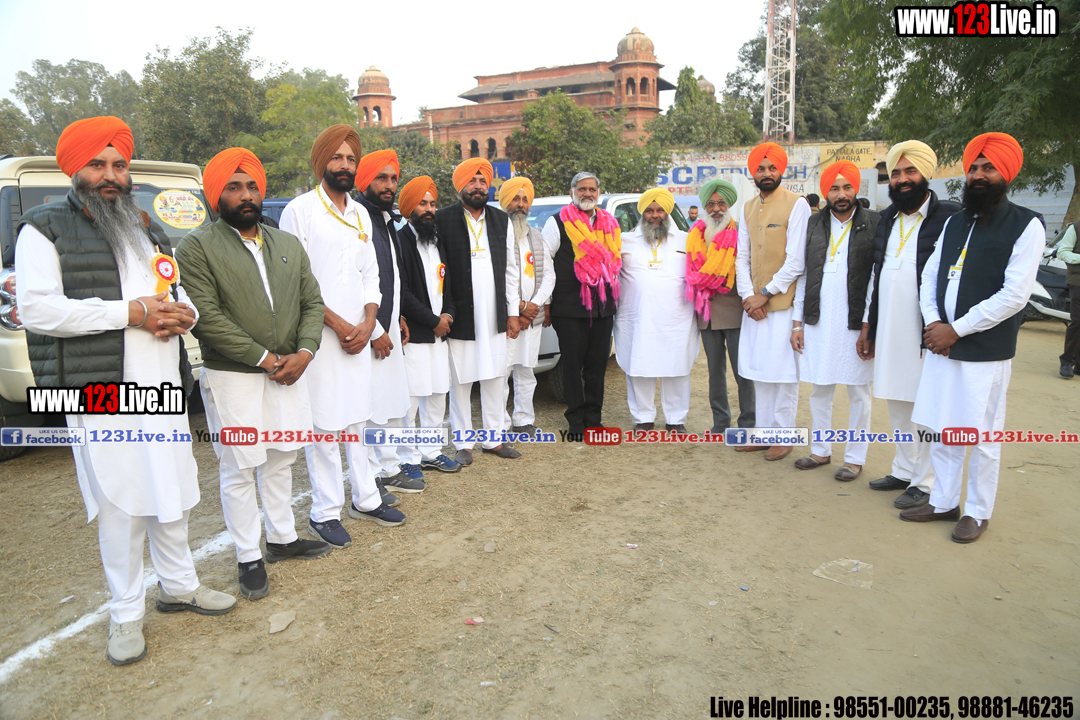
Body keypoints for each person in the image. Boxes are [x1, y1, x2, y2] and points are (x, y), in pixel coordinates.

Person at [15, 116, 236, 666]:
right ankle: (125, 613)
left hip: (162, 383)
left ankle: (180, 587)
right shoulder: (43, 228)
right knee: (121, 501)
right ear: (75, 169)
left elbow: (174, 290)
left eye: (118, 164)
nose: (110, 175)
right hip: (97, 391)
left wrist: (184, 314)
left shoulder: (144, 228)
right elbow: (38, 310)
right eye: (97, 164)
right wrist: (131, 313)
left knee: (171, 487)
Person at [176, 148, 331, 603]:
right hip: (234, 375)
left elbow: (312, 302)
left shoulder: (286, 243)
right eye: (233, 187)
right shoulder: (196, 247)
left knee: (283, 455)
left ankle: (282, 539)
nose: (246, 195)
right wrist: (265, 359)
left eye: (251, 186)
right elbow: (206, 317)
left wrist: (305, 351)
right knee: (241, 467)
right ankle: (248, 557)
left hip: (290, 369)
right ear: (215, 195)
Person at [903, 133, 1044, 543]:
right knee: (943, 426)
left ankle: (978, 512)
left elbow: (1014, 295)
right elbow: (930, 277)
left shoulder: (1026, 224)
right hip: (941, 345)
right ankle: (944, 501)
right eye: (974, 168)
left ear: (1006, 173)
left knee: (982, 435)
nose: (978, 175)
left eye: (988, 168)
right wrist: (935, 325)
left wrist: (956, 329)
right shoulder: (955, 221)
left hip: (984, 350)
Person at [278, 125, 406, 550]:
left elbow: (371, 275)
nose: (345, 165)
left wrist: (369, 322)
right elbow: (297, 281)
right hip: (318, 336)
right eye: (337, 157)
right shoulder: (299, 211)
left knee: (357, 417)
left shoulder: (360, 214)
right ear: (322, 161)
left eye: (351, 158)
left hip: (358, 335)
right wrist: (337, 324)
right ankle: (325, 511)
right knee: (324, 423)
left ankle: (366, 498)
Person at [860, 140, 961, 510]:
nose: (902, 179)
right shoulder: (887, 217)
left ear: (925, 174)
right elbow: (877, 274)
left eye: (910, 171)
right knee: (897, 399)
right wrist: (869, 324)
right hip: (890, 325)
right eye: (896, 173)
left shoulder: (950, 215)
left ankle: (926, 481)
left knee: (926, 405)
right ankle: (904, 470)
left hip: (927, 330)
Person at [791, 161, 878, 480]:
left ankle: (855, 458)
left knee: (859, 393)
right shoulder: (814, 223)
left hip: (855, 322)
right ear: (826, 192)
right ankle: (821, 450)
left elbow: (875, 279)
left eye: (847, 187)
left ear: (856, 189)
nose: (841, 194)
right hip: (818, 321)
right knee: (820, 389)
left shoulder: (874, 222)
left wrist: (868, 324)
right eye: (834, 188)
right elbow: (803, 276)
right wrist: (797, 323)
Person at [435, 158, 522, 464]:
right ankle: (463, 443)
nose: (478, 186)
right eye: (472, 181)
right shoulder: (442, 219)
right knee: (460, 380)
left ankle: (494, 439)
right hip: (460, 313)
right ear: (461, 185)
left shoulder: (501, 220)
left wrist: (513, 312)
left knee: (496, 375)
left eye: (483, 181)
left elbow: (511, 270)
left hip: (494, 312)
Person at [354, 150, 427, 495]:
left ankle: (389, 467)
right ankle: (370, 476)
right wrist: (378, 329)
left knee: (390, 400)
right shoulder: (358, 218)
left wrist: (397, 316)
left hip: (389, 325)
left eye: (393, 178)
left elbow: (391, 277)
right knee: (370, 406)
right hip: (368, 330)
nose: (389, 185)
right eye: (381, 178)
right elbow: (356, 281)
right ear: (364, 181)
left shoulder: (385, 218)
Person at [735, 142, 810, 460]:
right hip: (754, 308)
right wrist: (747, 297)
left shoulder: (797, 205)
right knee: (760, 371)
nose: (766, 173)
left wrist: (763, 295)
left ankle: (784, 435)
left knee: (783, 373)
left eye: (772, 168)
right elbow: (741, 257)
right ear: (753, 173)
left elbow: (796, 262)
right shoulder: (747, 208)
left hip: (783, 305)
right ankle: (764, 433)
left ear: (782, 170)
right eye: (760, 168)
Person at [540, 172, 621, 437]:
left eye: (592, 189)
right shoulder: (557, 222)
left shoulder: (609, 223)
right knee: (572, 367)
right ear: (572, 192)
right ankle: (575, 420)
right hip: (569, 308)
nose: (587, 193)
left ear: (599, 193)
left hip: (602, 308)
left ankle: (594, 420)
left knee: (597, 367)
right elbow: (545, 265)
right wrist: (547, 304)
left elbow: (616, 261)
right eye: (582, 189)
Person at [615, 188, 698, 431]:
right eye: (649, 211)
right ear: (642, 213)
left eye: (660, 210)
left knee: (677, 367)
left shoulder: (686, 239)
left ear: (668, 212)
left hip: (678, 318)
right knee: (638, 366)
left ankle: (676, 419)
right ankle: (643, 418)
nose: (655, 215)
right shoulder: (625, 240)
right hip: (637, 317)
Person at [395, 175, 462, 473]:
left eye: (433, 204)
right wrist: (433, 320)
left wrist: (448, 314)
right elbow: (403, 292)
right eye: (422, 203)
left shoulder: (436, 241)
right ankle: (407, 458)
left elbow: (448, 287)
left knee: (437, 394)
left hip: (439, 334)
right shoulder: (400, 241)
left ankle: (431, 451)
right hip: (416, 335)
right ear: (410, 207)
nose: (429, 209)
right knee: (410, 399)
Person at [686, 178, 754, 435]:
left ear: (729, 206)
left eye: (721, 203)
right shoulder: (695, 235)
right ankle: (721, 422)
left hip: (734, 312)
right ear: (705, 207)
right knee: (715, 372)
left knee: (742, 371)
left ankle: (748, 422)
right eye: (711, 204)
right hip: (706, 314)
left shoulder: (741, 234)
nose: (716, 209)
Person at [499, 176, 554, 436]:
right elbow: (495, 277)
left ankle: (523, 420)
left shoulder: (537, 236)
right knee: (501, 373)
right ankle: (499, 424)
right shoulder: (496, 235)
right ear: (505, 203)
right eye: (515, 199)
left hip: (532, 317)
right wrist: (518, 307)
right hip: (505, 318)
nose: (520, 204)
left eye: (524, 199)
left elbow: (549, 276)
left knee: (526, 370)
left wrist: (533, 306)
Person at [1055, 222, 1079, 378]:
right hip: (1078, 281)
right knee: (1078, 321)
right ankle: (1067, 362)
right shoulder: (1076, 227)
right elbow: (1062, 252)